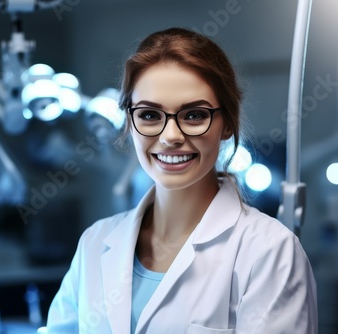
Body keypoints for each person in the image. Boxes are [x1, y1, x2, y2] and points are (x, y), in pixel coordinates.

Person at [45, 27, 318, 333]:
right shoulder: (95, 243)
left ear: (227, 123)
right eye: (150, 115)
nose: (171, 136)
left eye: (194, 115)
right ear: (130, 122)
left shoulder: (270, 252)